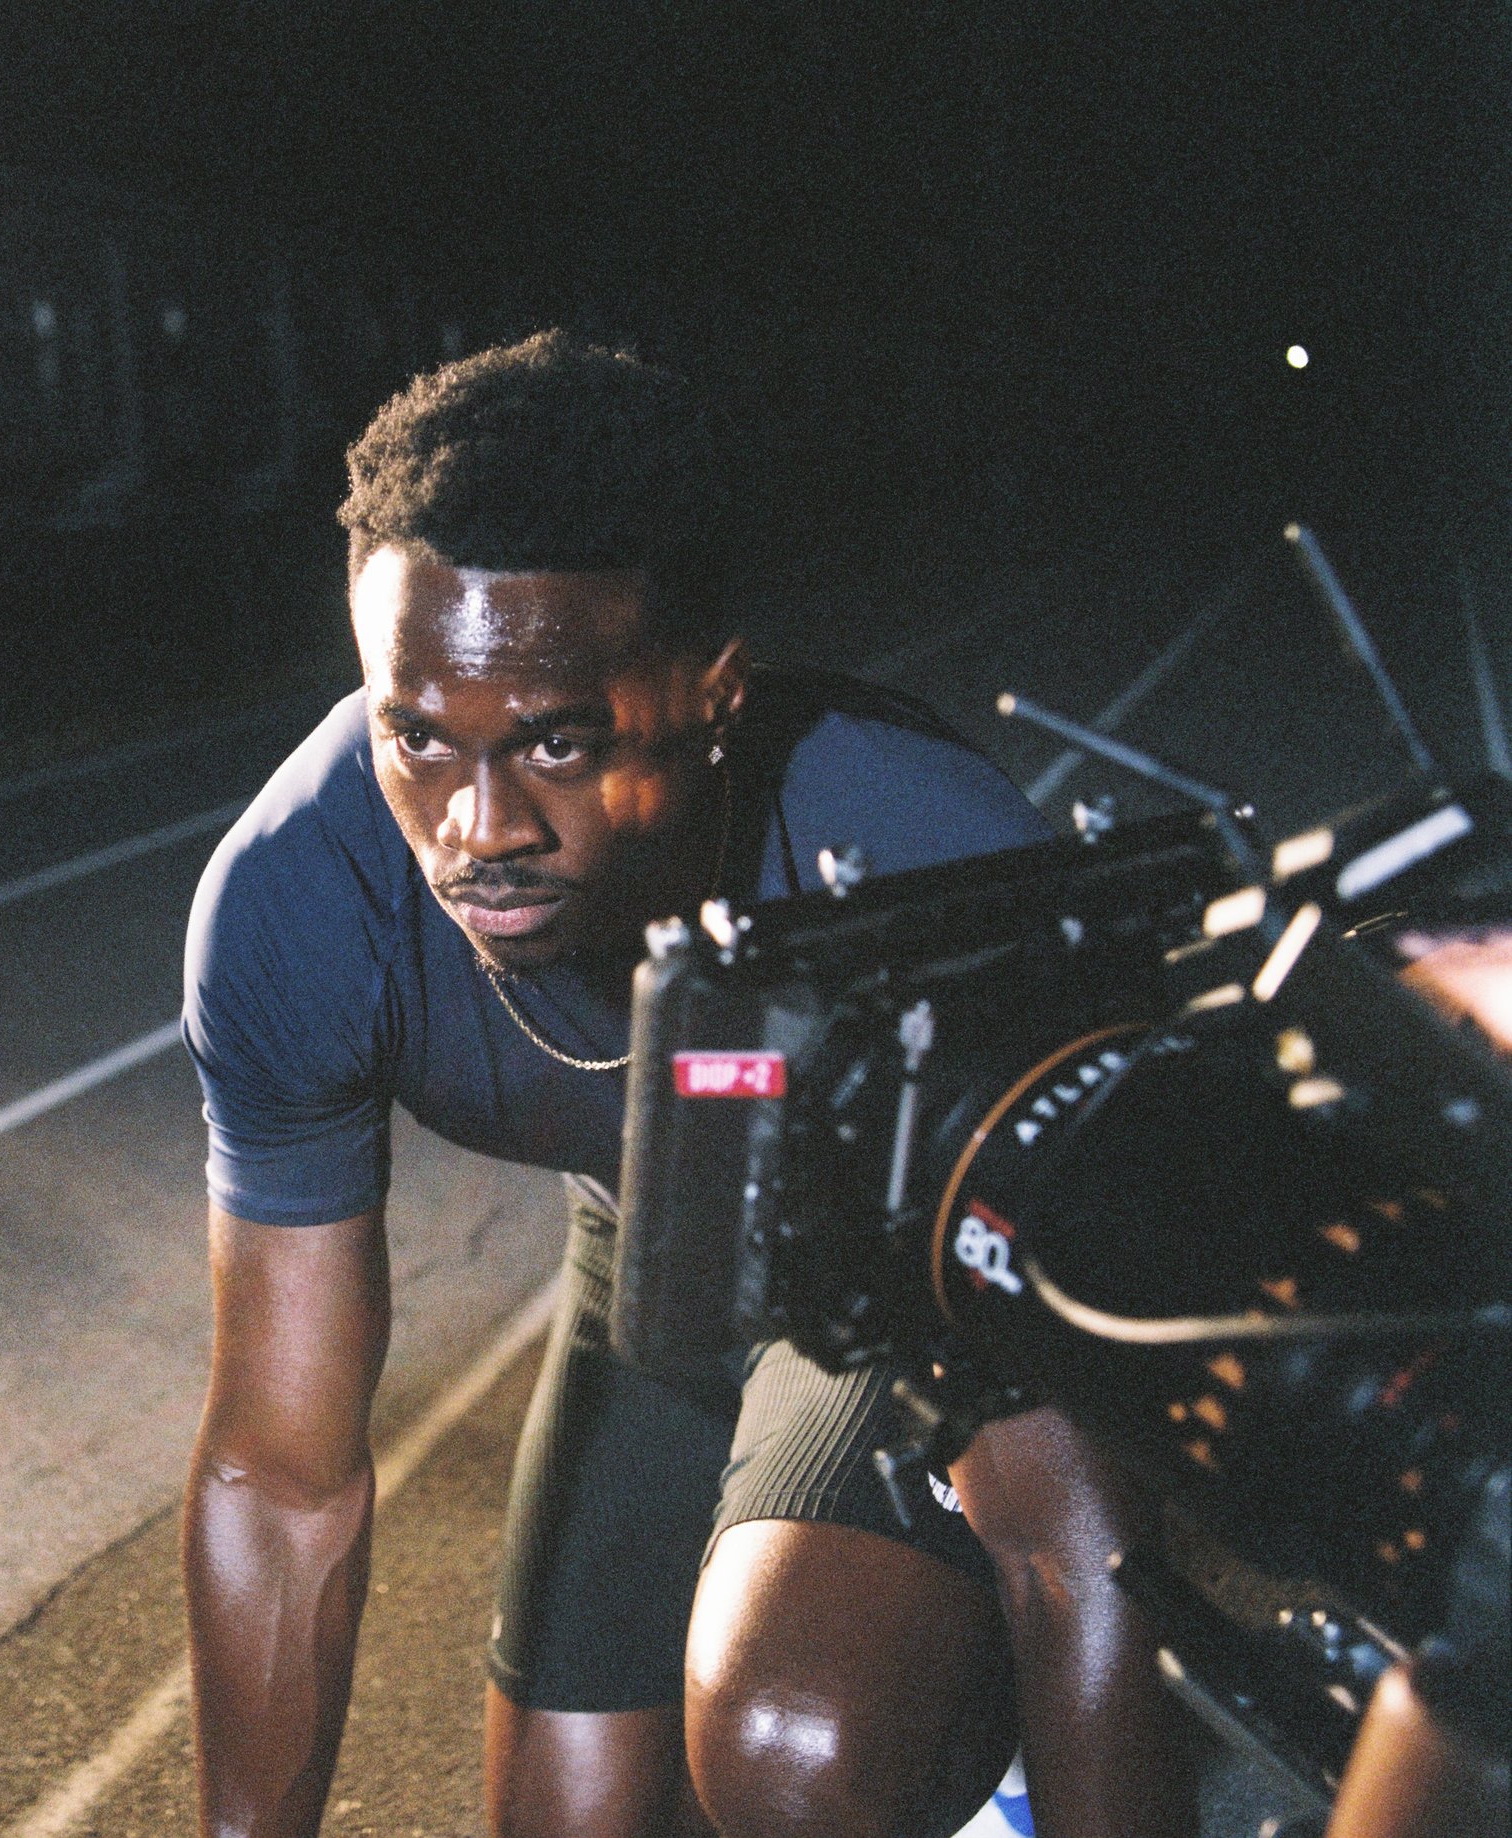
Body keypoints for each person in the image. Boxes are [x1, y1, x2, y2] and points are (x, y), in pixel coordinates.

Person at [179, 331, 1197, 1838]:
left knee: (795, 1745)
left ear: (713, 693)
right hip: (659, 1250)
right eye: (417, 736)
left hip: (915, 1284)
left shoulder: (926, 856)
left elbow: (1081, 1540)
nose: (478, 826)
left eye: (555, 740)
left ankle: (986, 1786)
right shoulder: (296, 896)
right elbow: (279, 1476)